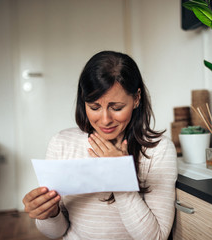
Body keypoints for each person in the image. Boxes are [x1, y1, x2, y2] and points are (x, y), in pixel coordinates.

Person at [22, 51, 178, 240]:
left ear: (136, 99)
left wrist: (119, 176)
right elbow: (56, 232)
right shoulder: (61, 143)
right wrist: (50, 213)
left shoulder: (159, 150)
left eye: (117, 108)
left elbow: (156, 237)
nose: (105, 120)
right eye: (95, 107)